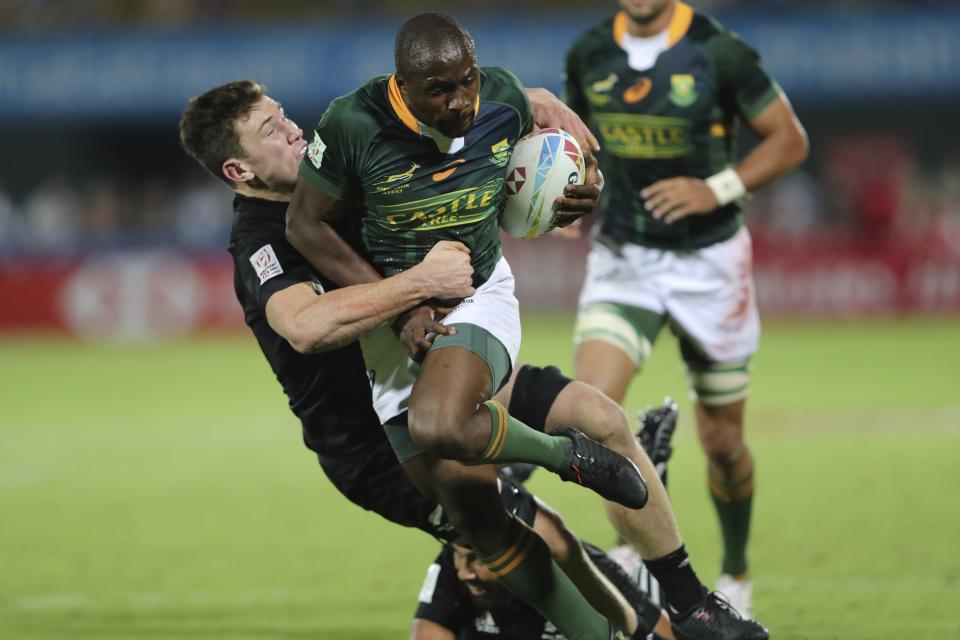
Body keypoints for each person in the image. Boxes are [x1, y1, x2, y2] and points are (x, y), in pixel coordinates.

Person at [180, 74, 768, 640]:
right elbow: (305, 326)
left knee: (604, 419)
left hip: (438, 364)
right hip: (377, 443)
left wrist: (537, 141)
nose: (292, 130)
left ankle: (693, 608)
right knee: (547, 538)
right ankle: (629, 618)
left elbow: (442, 134)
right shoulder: (261, 239)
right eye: (269, 130)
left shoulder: (335, 169)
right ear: (239, 170)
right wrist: (418, 286)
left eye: (283, 114)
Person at [286, 12, 652, 639]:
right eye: (441, 89)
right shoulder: (351, 124)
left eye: (468, 82)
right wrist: (398, 304)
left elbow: (568, 165)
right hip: (390, 323)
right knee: (480, 527)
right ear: (401, 83)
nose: (461, 102)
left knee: (441, 424)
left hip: (477, 295)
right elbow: (305, 225)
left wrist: (585, 188)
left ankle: (570, 458)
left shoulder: (504, 100)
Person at [564, 0, 809, 619]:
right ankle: (633, 552)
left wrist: (716, 187)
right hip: (625, 259)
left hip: (710, 266)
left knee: (723, 443)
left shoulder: (719, 52)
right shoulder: (588, 54)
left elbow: (790, 139)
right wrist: (566, 198)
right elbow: (576, 145)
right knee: (593, 412)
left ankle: (737, 569)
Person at [410, 404, 682, 640]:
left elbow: (659, 633)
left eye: (476, 560)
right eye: (462, 557)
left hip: (603, 571)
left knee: (635, 570)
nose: (463, 572)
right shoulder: (458, 557)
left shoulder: (576, 568)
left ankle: (648, 466)